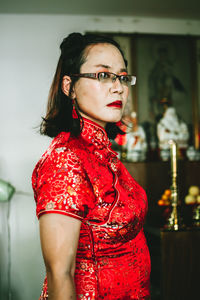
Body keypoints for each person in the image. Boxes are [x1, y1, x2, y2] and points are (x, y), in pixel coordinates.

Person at [32, 32, 151, 300]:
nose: (118, 87)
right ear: (69, 87)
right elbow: (59, 274)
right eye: (102, 75)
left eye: (122, 77)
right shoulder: (66, 159)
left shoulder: (103, 152)